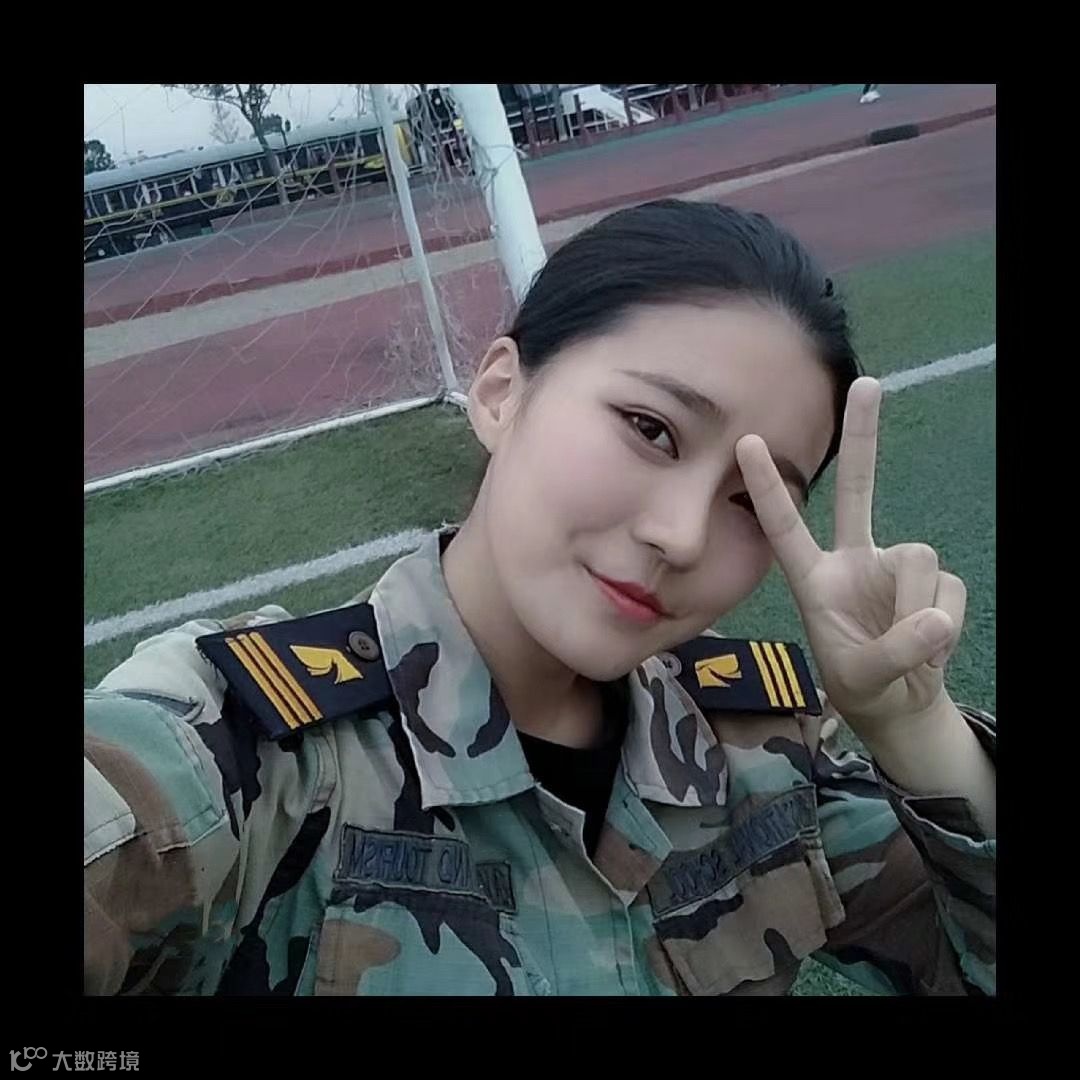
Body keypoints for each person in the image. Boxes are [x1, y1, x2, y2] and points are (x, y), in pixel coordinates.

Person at [84, 199, 996, 997]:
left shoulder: (761, 754)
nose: (681, 536)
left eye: (752, 501)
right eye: (651, 429)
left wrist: (913, 729)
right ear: (498, 393)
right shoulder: (248, 756)